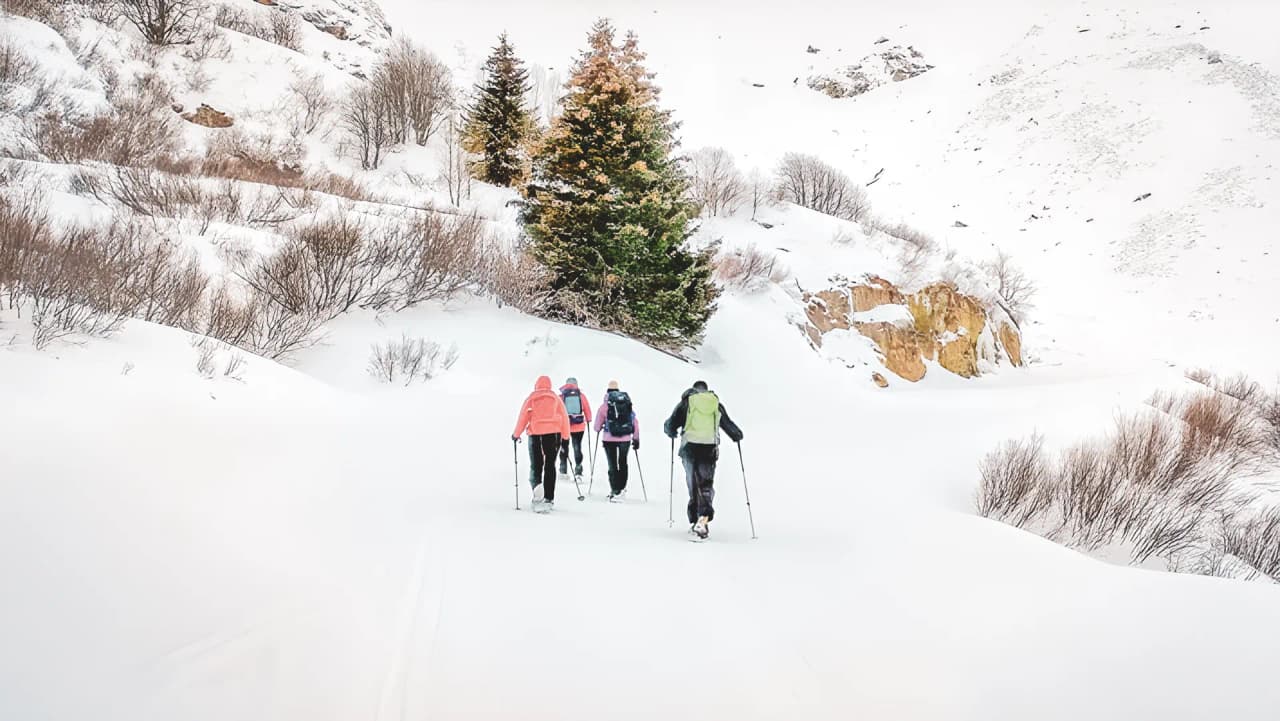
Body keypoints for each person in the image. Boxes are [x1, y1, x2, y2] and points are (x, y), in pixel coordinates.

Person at [663, 380, 743, 539]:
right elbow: (727, 423)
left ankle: (695, 520)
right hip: (709, 447)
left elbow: (671, 424)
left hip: (689, 447)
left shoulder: (686, 402)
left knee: (693, 483)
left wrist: (671, 431)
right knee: (705, 483)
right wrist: (736, 435)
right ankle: (703, 518)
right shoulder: (714, 403)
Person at [511, 375, 571, 513]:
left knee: (536, 464)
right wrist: (566, 437)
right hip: (553, 435)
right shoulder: (556, 398)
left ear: (536, 385)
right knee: (550, 464)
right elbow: (565, 419)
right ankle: (549, 498)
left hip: (535, 434)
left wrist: (516, 434)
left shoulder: (531, 398)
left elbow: (523, 417)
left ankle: (538, 491)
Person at [593, 380, 639, 502]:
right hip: (625, 439)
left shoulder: (604, 407)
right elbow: (634, 421)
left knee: (612, 464)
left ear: (607, 392)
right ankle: (622, 489)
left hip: (609, 439)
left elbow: (596, 427)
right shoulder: (627, 404)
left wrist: (601, 427)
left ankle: (615, 490)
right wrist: (636, 438)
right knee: (623, 463)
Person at [558, 377, 592, 479]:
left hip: (564, 427)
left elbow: (557, 411)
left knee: (564, 447)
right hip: (579, 426)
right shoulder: (581, 396)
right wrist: (588, 419)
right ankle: (578, 471)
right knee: (577, 447)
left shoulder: (561, 396)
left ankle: (563, 470)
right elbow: (587, 410)